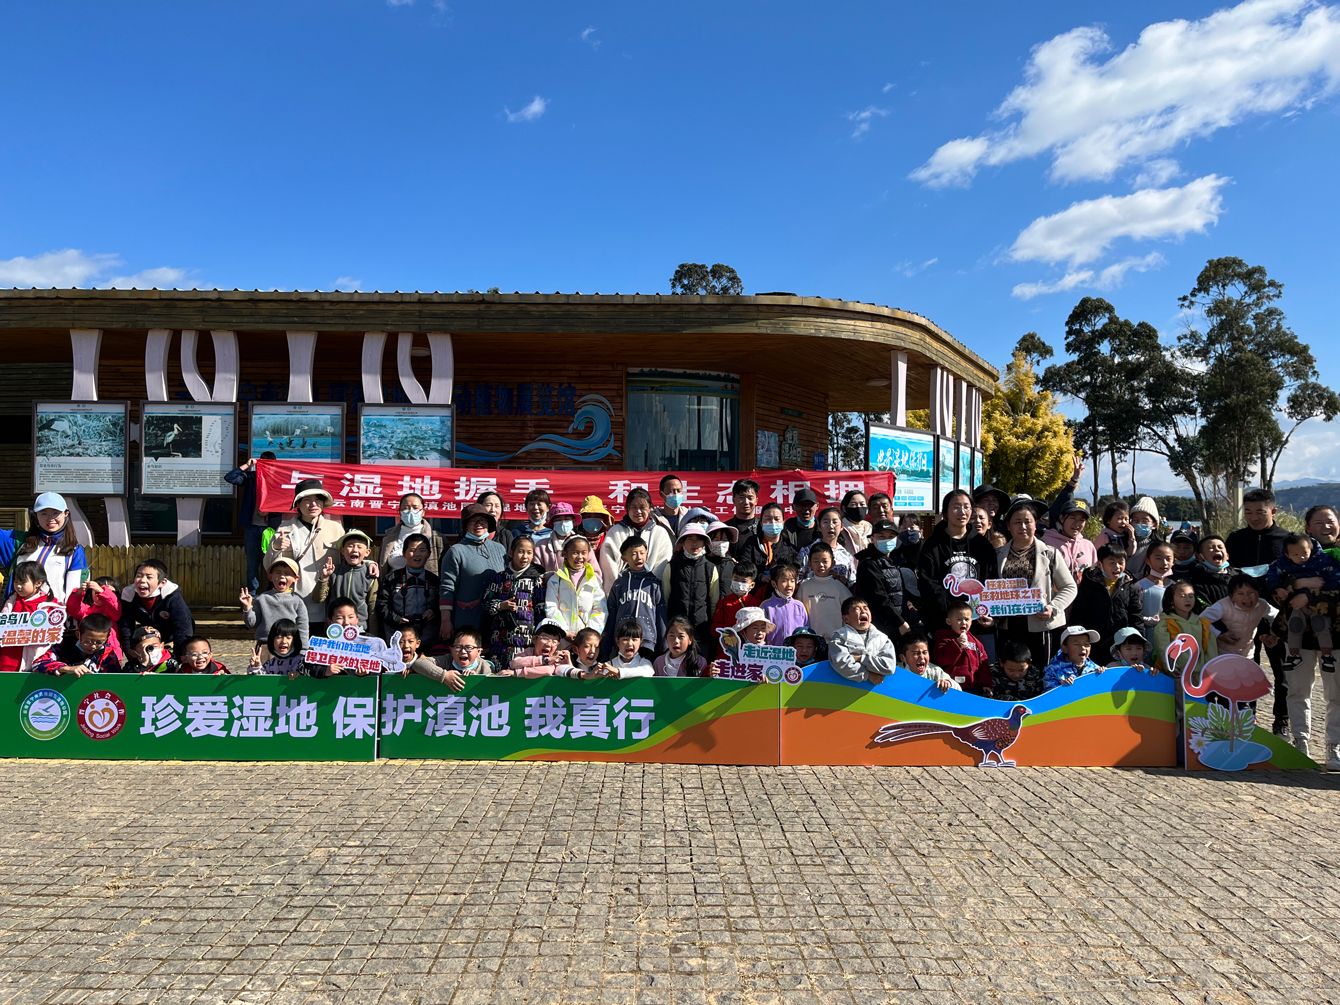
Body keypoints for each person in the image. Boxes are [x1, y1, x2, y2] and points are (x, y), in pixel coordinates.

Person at [1226, 488, 1291, 731]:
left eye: (1260, 512)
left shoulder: (1287, 539)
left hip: (1276, 616)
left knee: (1282, 672)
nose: (1253, 517)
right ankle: (1246, 717)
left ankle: (1281, 719)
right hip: (1242, 616)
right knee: (1246, 669)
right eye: (1248, 512)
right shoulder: (1235, 539)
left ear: (1273, 511)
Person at [1285, 505, 1340, 766]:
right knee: (1298, 691)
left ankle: (1334, 746)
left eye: (1330, 521)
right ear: (1308, 527)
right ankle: (1300, 742)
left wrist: (1309, 595)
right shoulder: (1293, 551)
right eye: (1318, 523)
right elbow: (1274, 584)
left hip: (1336, 635)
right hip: (1300, 636)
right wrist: (1297, 584)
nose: (1325, 526)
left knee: (1337, 695)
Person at [994, 498, 1075, 665]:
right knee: (1010, 671)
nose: (1023, 527)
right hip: (1008, 626)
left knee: (1041, 671)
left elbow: (1069, 587)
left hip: (1040, 625)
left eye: (1027, 522)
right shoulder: (998, 555)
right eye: (1017, 522)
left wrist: (1053, 608)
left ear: (1035, 524)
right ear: (1008, 526)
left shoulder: (1050, 554)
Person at [917, 488, 999, 634]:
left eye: (967, 507)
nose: (962, 512)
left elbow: (991, 579)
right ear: (945, 512)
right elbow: (928, 582)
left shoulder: (983, 545)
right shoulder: (932, 545)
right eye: (956, 507)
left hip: (979, 621)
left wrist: (986, 612)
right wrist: (951, 613)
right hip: (944, 622)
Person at [265, 478, 344, 625]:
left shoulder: (335, 528)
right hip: (294, 600)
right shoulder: (285, 529)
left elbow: (349, 557)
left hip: (328, 599)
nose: (313, 504)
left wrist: (369, 564)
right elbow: (269, 566)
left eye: (318, 499)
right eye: (307, 500)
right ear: (298, 504)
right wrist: (275, 547)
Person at [1266, 532, 1338, 672]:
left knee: (1321, 625)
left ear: (1311, 549)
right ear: (1287, 555)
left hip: (1319, 605)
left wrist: (1318, 592)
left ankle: (1327, 655)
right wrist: (1277, 588)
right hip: (1296, 604)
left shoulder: (1323, 560)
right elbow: (1272, 576)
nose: (1301, 557)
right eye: (1296, 555)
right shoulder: (1282, 564)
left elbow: (1335, 580)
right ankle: (1294, 655)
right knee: (1294, 625)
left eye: (1305, 553)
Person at [0, 492, 89, 603]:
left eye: (55, 513)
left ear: (66, 514)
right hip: (17, 612)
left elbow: (76, 594)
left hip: (54, 612)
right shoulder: (17, 542)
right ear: (35, 516)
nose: (50, 518)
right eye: (44, 513)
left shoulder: (74, 551)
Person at [439, 502, 507, 641]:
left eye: (482, 520)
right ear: (465, 525)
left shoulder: (499, 549)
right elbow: (447, 588)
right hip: (467, 618)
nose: (478, 524)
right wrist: (445, 621)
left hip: (496, 620)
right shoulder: (456, 551)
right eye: (473, 521)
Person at [481, 533, 547, 666]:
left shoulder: (536, 580)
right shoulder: (500, 578)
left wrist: (539, 636)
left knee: (522, 673)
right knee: (500, 674)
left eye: (529, 553)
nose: (525, 556)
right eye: (521, 552)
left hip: (526, 642)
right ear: (511, 553)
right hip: (500, 641)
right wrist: (500, 605)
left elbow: (541, 610)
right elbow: (485, 603)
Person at [1069, 543, 1143, 659]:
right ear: (1100, 564)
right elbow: (1079, 614)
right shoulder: (1089, 585)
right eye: (1111, 563)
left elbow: (1136, 616)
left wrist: (1138, 641)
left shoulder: (1130, 587)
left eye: (1121, 562)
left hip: (1121, 644)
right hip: (1094, 643)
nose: (1117, 567)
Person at [600, 536, 666, 660]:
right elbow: (611, 616)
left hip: (647, 641)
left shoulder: (654, 584)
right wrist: (605, 649)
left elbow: (661, 618)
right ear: (624, 558)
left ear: (647, 554)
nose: (639, 557)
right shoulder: (619, 584)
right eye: (633, 554)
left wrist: (664, 649)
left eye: (642, 553)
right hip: (623, 640)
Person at [225, 451, 280, 593]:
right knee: (252, 565)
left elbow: (285, 502)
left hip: (271, 528)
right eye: (264, 464)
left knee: (274, 563)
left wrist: (269, 511)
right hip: (252, 527)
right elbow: (230, 477)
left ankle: (272, 593)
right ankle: (252, 595)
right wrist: (247, 465)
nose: (268, 467)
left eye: (271, 464)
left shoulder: (279, 479)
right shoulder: (251, 477)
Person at [599, 487, 674, 589]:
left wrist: (650, 585)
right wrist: (616, 588)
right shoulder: (615, 532)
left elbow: (663, 562)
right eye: (633, 507)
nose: (638, 511)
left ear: (650, 508)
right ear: (627, 508)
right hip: (620, 590)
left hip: (651, 590)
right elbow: (608, 563)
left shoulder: (660, 533)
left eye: (642, 507)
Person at [855, 519, 916, 641]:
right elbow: (879, 598)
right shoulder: (868, 564)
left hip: (895, 624)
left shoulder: (892, 561)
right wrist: (900, 622)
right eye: (881, 536)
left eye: (891, 536)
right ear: (872, 539)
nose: (887, 540)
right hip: (881, 627)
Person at [378, 533, 442, 651]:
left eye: (422, 550)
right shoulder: (392, 579)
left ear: (429, 554)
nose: (417, 554)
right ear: (404, 554)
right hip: (399, 638)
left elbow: (442, 604)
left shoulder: (434, 580)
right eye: (412, 550)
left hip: (428, 638)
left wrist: (434, 612)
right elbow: (382, 605)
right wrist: (397, 619)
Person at [117, 559, 194, 655]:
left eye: (149, 577)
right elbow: (126, 628)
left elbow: (183, 628)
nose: (142, 580)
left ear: (162, 582)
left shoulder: (173, 597)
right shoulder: (129, 596)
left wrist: (178, 657)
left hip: (171, 635)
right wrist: (130, 653)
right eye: (139, 576)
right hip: (149, 635)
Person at [662, 523, 720, 651]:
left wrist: (710, 627)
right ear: (682, 543)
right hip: (676, 632)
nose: (694, 543)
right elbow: (665, 599)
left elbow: (713, 601)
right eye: (690, 539)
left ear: (704, 543)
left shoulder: (710, 568)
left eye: (699, 539)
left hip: (701, 631)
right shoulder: (672, 566)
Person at [312, 529, 380, 634]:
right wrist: (324, 578)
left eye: (359, 547)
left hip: (360, 630)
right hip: (334, 630)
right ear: (342, 551)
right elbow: (318, 598)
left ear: (367, 552)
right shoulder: (334, 572)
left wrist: (373, 635)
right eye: (350, 546)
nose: (354, 549)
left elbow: (372, 608)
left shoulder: (370, 575)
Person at [544, 534, 608, 641]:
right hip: (562, 640)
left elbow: (600, 609)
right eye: (575, 552)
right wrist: (563, 632)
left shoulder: (594, 580)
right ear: (564, 553)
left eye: (584, 553)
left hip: (587, 643)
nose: (580, 557)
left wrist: (589, 634)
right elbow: (551, 607)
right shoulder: (556, 580)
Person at [1202, 575, 1278, 659]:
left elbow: (1277, 617)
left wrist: (1274, 635)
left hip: (1248, 654)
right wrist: (1219, 634)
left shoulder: (1262, 605)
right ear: (1231, 597)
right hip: (1221, 654)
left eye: (1251, 592)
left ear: (1258, 593)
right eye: (1240, 593)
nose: (1247, 597)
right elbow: (1201, 620)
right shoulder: (1223, 606)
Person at [241, 556, 310, 648]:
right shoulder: (262, 599)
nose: (282, 576)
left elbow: (303, 628)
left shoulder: (297, 601)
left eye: (287, 573)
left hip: (288, 647)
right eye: (277, 573)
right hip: (265, 646)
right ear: (270, 576)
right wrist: (247, 607)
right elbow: (252, 624)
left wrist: (303, 649)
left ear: (295, 578)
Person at [830, 597, 900, 685]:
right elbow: (841, 663)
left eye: (866, 608)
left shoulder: (882, 639)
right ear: (846, 619)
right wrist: (868, 675)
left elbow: (889, 666)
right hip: (846, 688)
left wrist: (860, 658)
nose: (863, 611)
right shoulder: (840, 637)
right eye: (857, 609)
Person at [1152, 581, 1217, 674]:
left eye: (1191, 596)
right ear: (1171, 600)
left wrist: (1210, 671)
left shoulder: (1203, 624)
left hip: (1199, 675)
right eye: (1182, 596)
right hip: (1174, 675)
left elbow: (1211, 651)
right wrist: (1172, 669)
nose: (1188, 600)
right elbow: (1163, 649)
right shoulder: (1165, 624)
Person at [0, 562, 55, 672]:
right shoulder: (11, 601)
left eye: (22, 582)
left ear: (38, 583)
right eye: (16, 582)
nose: (18, 586)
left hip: (34, 656)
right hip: (9, 654)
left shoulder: (47, 604)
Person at [380, 492, 450, 574]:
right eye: (405, 508)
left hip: (426, 582)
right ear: (400, 512)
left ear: (423, 512)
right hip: (394, 581)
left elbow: (447, 568)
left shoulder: (436, 538)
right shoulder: (389, 536)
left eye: (415, 508)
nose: (411, 511)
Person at [33, 613, 122, 675]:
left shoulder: (108, 655)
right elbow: (37, 664)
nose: (93, 646)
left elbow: (114, 680)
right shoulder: (64, 646)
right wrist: (66, 668)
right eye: (87, 641)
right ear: (78, 635)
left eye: (99, 642)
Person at [795, 543, 852, 641]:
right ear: (810, 564)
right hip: (810, 641)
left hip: (836, 641)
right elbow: (798, 613)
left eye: (825, 561)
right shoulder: (804, 587)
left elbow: (850, 613)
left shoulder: (839, 587)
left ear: (833, 563)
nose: (821, 565)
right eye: (816, 561)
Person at [932, 598, 990, 694]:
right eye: (959, 619)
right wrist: (956, 645)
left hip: (973, 686)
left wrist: (986, 684)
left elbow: (983, 665)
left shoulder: (976, 643)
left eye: (967, 619)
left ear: (971, 621)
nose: (963, 622)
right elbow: (940, 659)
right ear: (949, 621)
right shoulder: (944, 638)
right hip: (951, 685)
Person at [407, 626, 497, 683]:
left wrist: (476, 679)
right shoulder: (447, 660)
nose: (463, 651)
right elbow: (418, 663)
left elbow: (492, 688)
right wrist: (444, 676)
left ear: (479, 652)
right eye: (458, 647)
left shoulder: (485, 666)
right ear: (451, 650)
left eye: (469, 647)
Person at [734, 502, 799, 581]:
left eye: (777, 519)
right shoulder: (751, 543)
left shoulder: (790, 548)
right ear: (761, 523)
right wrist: (760, 576)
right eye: (768, 519)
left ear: (783, 523)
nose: (773, 522)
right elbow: (744, 567)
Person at [66, 577, 124, 662]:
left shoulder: (112, 612)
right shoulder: (87, 610)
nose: (99, 594)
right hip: (86, 650)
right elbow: (73, 608)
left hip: (109, 653)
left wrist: (101, 591)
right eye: (96, 591)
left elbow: (114, 606)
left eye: (110, 591)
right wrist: (78, 593)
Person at [1041, 500, 1097, 585]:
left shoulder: (1088, 546)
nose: (1077, 523)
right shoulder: (1046, 543)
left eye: (1081, 520)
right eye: (1073, 518)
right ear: (1062, 518)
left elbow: (1095, 574)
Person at [798, 508, 856, 587]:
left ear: (842, 526)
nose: (831, 526)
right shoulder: (806, 551)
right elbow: (797, 581)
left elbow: (852, 583)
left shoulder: (846, 556)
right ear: (819, 526)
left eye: (835, 522)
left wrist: (844, 582)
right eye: (826, 522)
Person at [761, 561, 808, 646]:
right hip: (773, 651)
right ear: (774, 584)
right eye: (784, 581)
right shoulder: (766, 606)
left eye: (792, 581)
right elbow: (761, 632)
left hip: (794, 652)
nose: (789, 585)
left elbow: (805, 630)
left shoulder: (799, 606)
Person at [1135, 542, 1176, 634]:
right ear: (1147, 561)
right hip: (1148, 634)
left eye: (1168, 559)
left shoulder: (1175, 587)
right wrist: (1152, 620)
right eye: (1158, 558)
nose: (1164, 563)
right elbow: (1135, 614)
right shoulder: (1141, 586)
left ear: (1174, 561)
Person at [509, 621, 575, 677]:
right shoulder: (528, 653)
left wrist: (568, 662)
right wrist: (543, 660)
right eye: (545, 638)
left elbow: (548, 670)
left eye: (554, 642)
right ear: (534, 639)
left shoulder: (557, 658)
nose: (549, 644)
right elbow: (514, 663)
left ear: (557, 645)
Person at [1188, 535, 1236, 611]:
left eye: (1220, 547)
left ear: (1227, 556)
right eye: (1211, 547)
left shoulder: (1239, 577)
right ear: (1200, 556)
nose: (1217, 549)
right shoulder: (1196, 580)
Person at [535, 502, 581, 577]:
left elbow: (595, 572)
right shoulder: (541, 546)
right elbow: (536, 573)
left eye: (567, 518)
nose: (563, 523)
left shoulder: (583, 544)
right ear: (552, 523)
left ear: (573, 521)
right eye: (558, 519)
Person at [1093, 501, 1138, 571]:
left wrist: (1132, 536)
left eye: (1126, 519)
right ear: (1108, 520)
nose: (1123, 522)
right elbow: (1101, 557)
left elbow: (1130, 552)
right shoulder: (1105, 536)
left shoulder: (1125, 535)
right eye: (1119, 519)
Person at [706, 521, 740, 591]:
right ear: (708, 542)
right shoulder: (702, 564)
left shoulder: (733, 565)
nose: (720, 543)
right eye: (716, 540)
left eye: (724, 540)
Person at [837, 489, 871, 556]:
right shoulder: (839, 529)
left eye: (862, 504)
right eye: (853, 504)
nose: (858, 507)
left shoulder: (870, 529)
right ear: (844, 508)